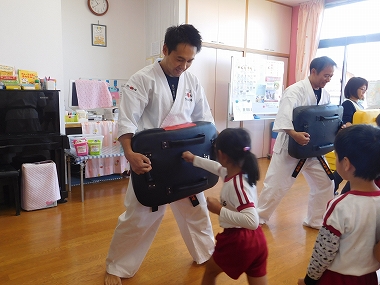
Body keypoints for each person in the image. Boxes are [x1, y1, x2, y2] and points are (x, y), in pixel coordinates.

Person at [104, 24, 215, 285]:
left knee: (196, 209)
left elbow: (205, 122)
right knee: (140, 216)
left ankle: (206, 253)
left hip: (186, 158)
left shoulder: (193, 81)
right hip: (151, 161)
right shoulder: (142, 80)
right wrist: (129, 154)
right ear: (164, 49)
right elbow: (127, 122)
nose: (184, 66)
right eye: (179, 59)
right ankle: (117, 267)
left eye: (190, 60)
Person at [256, 56, 337, 229]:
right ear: (313, 71)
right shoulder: (294, 91)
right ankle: (258, 217)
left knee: (326, 183)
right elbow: (283, 117)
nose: (328, 79)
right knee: (276, 186)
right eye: (326, 75)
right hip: (290, 148)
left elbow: (328, 119)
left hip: (313, 150)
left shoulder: (326, 94)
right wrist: (294, 134)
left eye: (331, 76)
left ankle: (315, 220)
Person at [182, 128, 268, 285]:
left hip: (239, 241)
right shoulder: (238, 171)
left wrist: (218, 209)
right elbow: (216, 168)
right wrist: (194, 159)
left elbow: (252, 221)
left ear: (222, 154)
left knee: (210, 270)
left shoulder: (238, 185)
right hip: (258, 241)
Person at [298, 124, 380, 285]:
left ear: (346, 164)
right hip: (369, 278)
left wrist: (309, 281)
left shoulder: (339, 205)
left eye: (336, 156)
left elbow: (323, 252)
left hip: (337, 278)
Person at [333, 76, 368, 194]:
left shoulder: (359, 105)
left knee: (353, 171)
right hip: (352, 143)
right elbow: (346, 123)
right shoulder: (348, 104)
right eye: (362, 89)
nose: (364, 92)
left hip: (359, 143)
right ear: (353, 89)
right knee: (347, 170)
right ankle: (335, 191)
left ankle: (342, 193)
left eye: (365, 89)